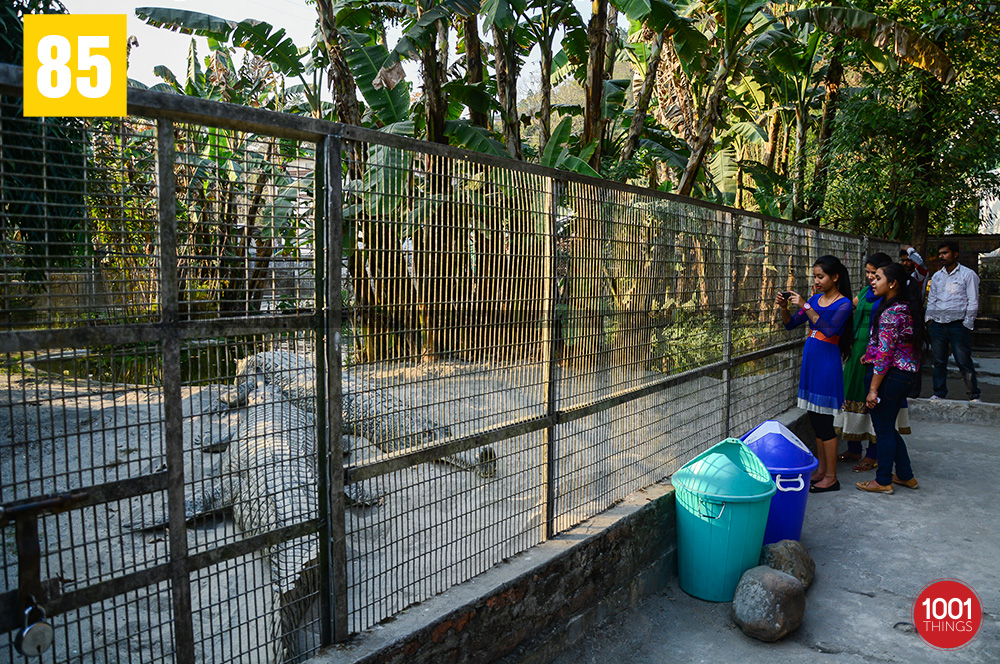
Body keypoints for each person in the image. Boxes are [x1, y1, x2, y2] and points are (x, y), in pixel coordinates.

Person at [777, 255, 853, 493]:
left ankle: (831, 477)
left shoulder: (844, 304)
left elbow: (829, 329)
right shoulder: (815, 299)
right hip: (812, 359)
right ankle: (821, 471)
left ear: (835, 277)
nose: (817, 281)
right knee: (815, 419)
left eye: (821, 276)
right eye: (815, 277)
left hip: (826, 362)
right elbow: (790, 324)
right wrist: (784, 308)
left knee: (825, 423)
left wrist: (806, 306)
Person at [835, 252, 912, 473]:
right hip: (860, 352)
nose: (871, 278)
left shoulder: (891, 305)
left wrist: (874, 382)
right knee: (853, 395)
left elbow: (886, 350)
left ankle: (876, 460)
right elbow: (848, 307)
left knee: (877, 408)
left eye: (875, 274)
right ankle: (854, 447)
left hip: (879, 359)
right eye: (868, 273)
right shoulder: (868, 292)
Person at [857, 263, 922, 494]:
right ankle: (905, 476)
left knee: (883, 431)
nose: (872, 281)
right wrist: (870, 354)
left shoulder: (891, 312)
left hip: (890, 378)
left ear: (892, 283)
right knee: (888, 429)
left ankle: (883, 480)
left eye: (878, 278)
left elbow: (885, 355)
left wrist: (873, 389)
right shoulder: (904, 308)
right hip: (904, 376)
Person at [925, 241, 981, 402]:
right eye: (940, 253)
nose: (941, 256)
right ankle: (939, 393)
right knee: (939, 361)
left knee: (963, 361)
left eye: (945, 253)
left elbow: (973, 301)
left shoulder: (968, 275)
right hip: (938, 324)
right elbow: (932, 299)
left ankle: (973, 395)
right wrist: (929, 320)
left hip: (958, 324)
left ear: (955, 254)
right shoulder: (937, 276)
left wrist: (967, 324)